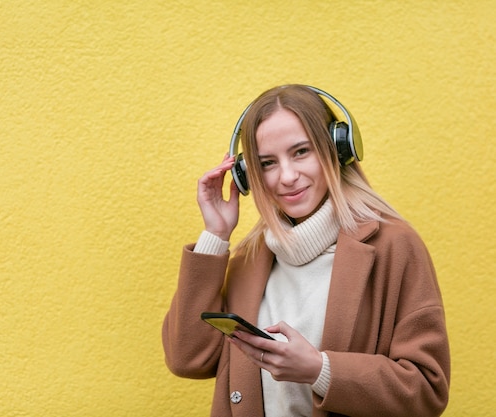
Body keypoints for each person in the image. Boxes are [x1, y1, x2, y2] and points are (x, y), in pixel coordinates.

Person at [162, 84, 450, 417]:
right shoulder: (248, 260)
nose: (287, 176)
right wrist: (216, 234)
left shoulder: (394, 246)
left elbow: (428, 390)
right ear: (247, 176)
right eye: (267, 163)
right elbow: (187, 359)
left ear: (337, 149)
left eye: (301, 152)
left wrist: (320, 370)